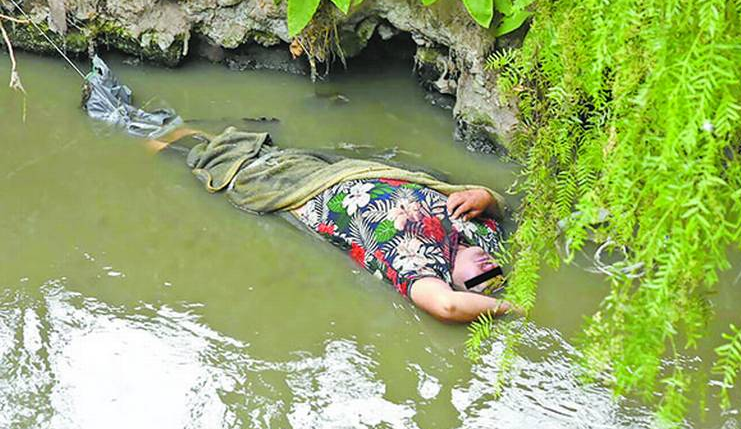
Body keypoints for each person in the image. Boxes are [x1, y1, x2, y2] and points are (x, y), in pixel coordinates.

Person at [83, 57, 518, 322]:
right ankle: (179, 132)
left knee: (223, 164)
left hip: (308, 193)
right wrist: (485, 197)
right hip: (339, 170)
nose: (485, 266)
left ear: (458, 284)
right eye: (492, 270)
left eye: (478, 279)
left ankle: (137, 140)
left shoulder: (420, 270)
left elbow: (447, 309)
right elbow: (501, 204)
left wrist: (513, 311)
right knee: (236, 145)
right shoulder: (483, 235)